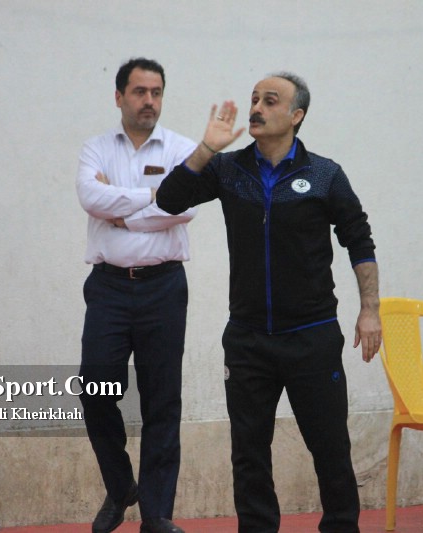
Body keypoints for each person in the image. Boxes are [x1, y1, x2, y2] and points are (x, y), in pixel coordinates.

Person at [156, 72, 381, 533]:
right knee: (249, 453)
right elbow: (169, 200)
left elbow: (359, 240)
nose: (256, 108)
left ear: (296, 115)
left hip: (312, 337)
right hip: (248, 339)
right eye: (254, 99)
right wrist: (206, 149)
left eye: (270, 101)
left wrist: (370, 309)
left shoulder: (324, 175)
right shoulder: (228, 169)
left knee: (330, 448)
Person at [75, 57, 196, 533]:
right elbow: (90, 197)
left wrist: (120, 208)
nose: (149, 101)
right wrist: (153, 196)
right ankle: (121, 484)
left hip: (163, 287)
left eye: (157, 92)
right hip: (108, 288)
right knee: (95, 388)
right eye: (140, 91)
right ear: (119, 96)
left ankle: (157, 515)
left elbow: (185, 206)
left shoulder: (182, 148)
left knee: (162, 401)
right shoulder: (96, 148)